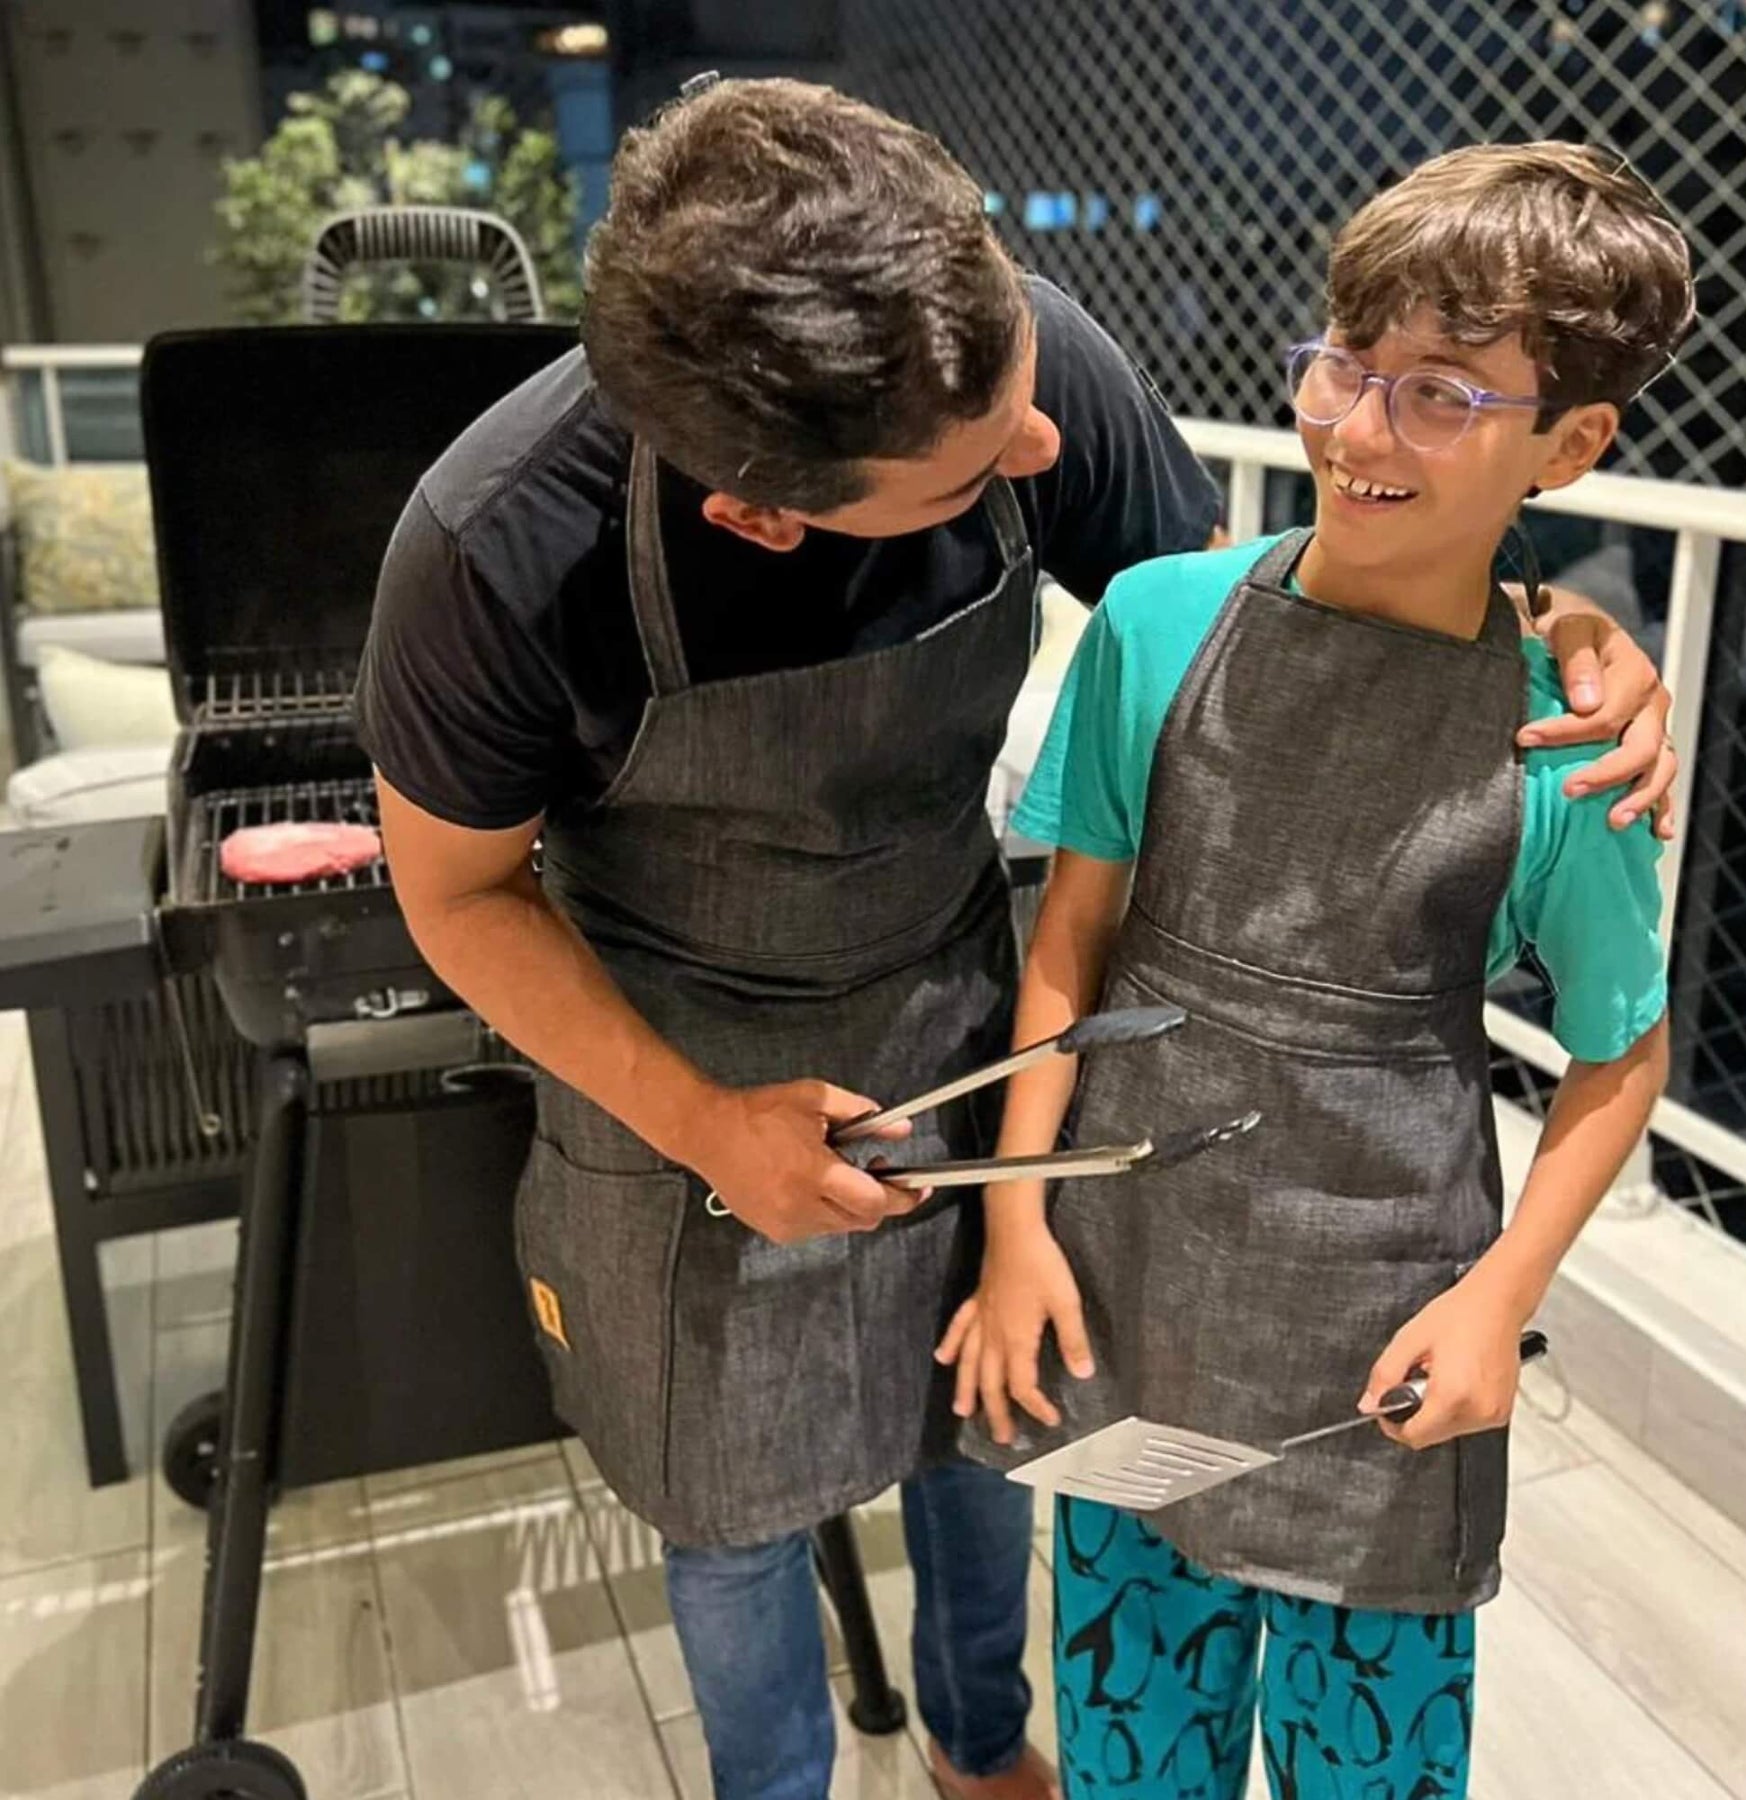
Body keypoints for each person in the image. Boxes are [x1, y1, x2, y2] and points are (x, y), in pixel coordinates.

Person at [354, 74, 1675, 1800]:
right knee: (729, 1494)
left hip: (964, 993)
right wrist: (700, 1122)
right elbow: (456, 894)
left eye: (1025, 399)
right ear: (766, 513)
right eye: (979, 474)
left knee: (984, 1427)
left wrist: (1554, 626)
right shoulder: (496, 552)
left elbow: (1278, 662)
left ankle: (987, 1744)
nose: (1043, 453)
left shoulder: (990, 350)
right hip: (660, 1030)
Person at [936, 142, 1689, 1800]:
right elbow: (1067, 939)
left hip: (1383, 1331)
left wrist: (1500, 1304)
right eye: (1348, 364)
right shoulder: (1156, 619)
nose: (1357, 430)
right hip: (1126, 1277)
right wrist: (1012, 1226)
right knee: (1136, 1747)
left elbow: (1618, 1054)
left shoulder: (1568, 747)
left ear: (1569, 441)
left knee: (1374, 1765)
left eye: (1443, 394)